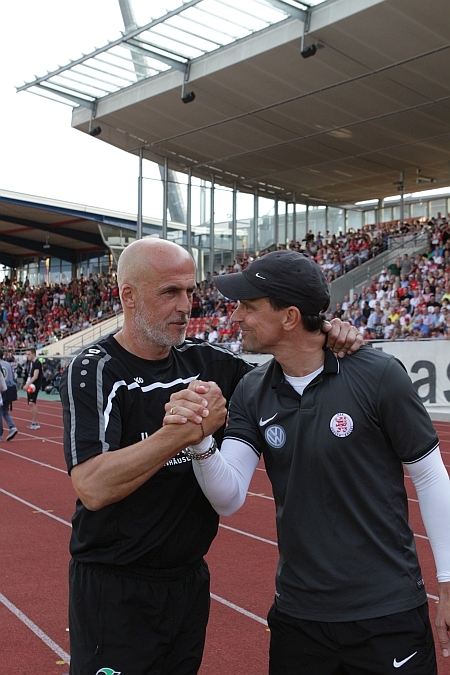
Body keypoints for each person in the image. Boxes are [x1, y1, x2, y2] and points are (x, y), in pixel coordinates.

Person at [59, 238, 361, 675]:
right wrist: (184, 434)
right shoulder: (95, 368)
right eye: (170, 292)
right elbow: (92, 485)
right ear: (129, 295)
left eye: (189, 291)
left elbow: (290, 379)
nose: (186, 306)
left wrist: (325, 335)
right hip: (115, 587)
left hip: (188, 583)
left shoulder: (211, 362)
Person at [165, 250, 450, 675]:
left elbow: (429, 477)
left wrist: (448, 581)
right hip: (298, 618)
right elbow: (228, 498)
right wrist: (201, 440)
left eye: (249, 306)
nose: (236, 316)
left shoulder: (379, 375)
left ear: (290, 317)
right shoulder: (252, 390)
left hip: (386, 614)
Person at [0, 348, 18, 440]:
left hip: (1, 390)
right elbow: (11, 378)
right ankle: (12, 426)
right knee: (5, 411)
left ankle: (0, 433)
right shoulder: (7, 364)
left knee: (1, 411)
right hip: (8, 389)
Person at [23, 347, 42, 430]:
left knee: (32, 403)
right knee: (31, 403)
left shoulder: (37, 363)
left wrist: (27, 384)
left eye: (29, 354)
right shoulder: (30, 363)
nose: (27, 356)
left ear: (33, 354)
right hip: (30, 384)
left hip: (34, 386)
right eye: (27, 354)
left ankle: (36, 423)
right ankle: (33, 422)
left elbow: (35, 376)